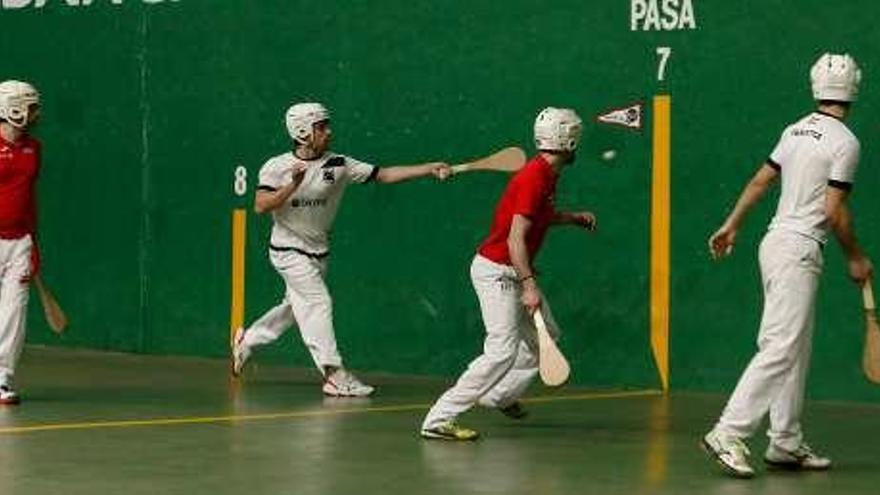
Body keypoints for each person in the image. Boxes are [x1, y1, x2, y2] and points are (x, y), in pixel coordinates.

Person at [702, 53, 873, 478]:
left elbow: (761, 180)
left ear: (816, 86)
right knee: (780, 346)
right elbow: (835, 211)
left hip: (773, 242)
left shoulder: (795, 130)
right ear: (854, 88)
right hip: (797, 249)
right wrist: (856, 256)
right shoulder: (845, 142)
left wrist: (732, 224)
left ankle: (785, 441)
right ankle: (728, 431)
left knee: (793, 346)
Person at [232, 102, 451, 397]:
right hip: (286, 251)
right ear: (302, 131)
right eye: (321, 127)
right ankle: (334, 374)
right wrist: (292, 186)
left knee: (296, 308)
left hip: (319, 252)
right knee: (318, 302)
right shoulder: (277, 167)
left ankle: (248, 341)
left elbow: (383, 175)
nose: (328, 131)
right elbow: (260, 206)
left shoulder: (339, 164)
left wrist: (428, 168)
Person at [420, 107, 597, 440]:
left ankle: (501, 395)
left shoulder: (545, 174)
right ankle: (439, 418)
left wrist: (571, 218)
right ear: (568, 140)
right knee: (502, 349)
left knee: (547, 338)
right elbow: (516, 238)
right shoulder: (533, 177)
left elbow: (537, 217)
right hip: (498, 272)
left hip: (514, 270)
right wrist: (528, 285)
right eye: (576, 138)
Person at [0, 80, 42, 406]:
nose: (33, 113)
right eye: (28, 106)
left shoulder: (33, 149)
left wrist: (33, 243)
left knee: (15, 310)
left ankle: (2, 377)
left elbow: (28, 199)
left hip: (20, 242)